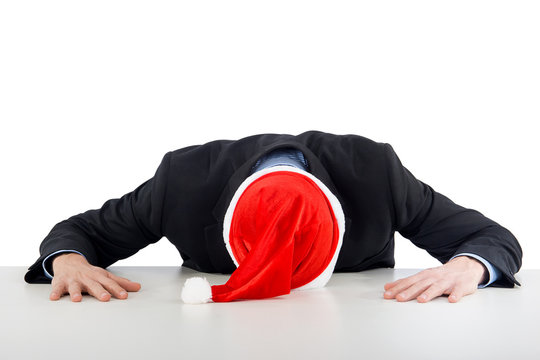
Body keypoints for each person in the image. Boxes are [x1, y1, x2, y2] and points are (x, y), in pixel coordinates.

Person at [24, 131, 522, 303]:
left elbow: (490, 236)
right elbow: (81, 231)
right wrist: (67, 260)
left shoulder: (376, 173)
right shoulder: (182, 181)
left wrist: (470, 266)